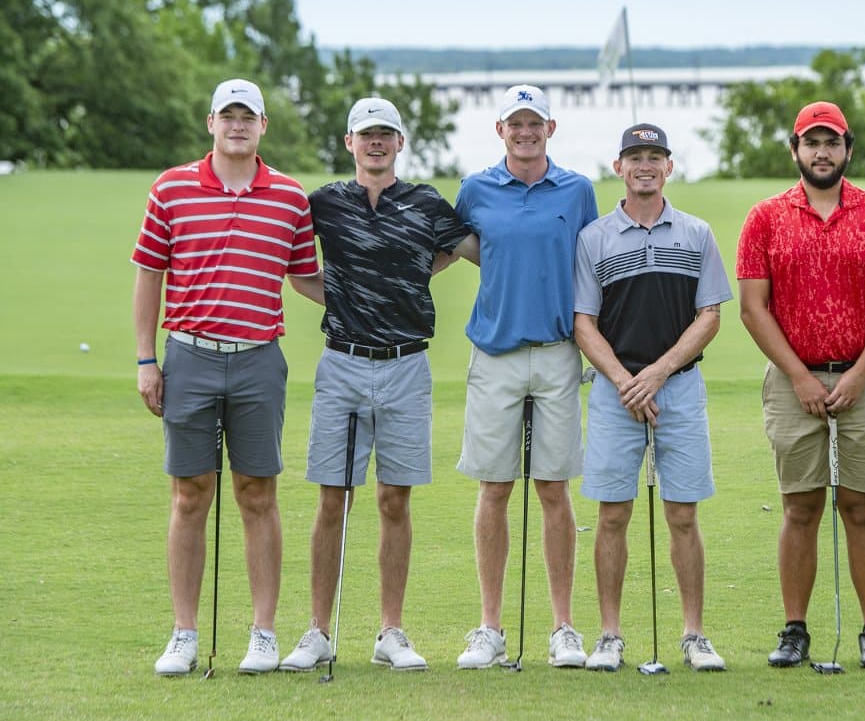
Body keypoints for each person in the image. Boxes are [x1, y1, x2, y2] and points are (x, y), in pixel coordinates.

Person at [278, 98, 479, 673]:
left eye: (386, 134)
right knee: (331, 498)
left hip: (406, 366)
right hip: (341, 362)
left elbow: (464, 252)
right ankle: (317, 630)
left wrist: (410, 279)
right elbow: (293, 265)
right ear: (349, 142)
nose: (376, 143)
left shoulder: (425, 203)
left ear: (399, 143)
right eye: (367, 134)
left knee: (395, 498)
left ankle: (391, 630)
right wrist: (340, 297)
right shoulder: (326, 203)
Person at [134, 78, 322, 676]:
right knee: (190, 495)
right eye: (228, 115)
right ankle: (184, 632)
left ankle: (263, 632)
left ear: (263, 125)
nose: (237, 125)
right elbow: (149, 275)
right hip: (188, 355)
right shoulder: (171, 188)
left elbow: (306, 279)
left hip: (258, 359)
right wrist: (146, 360)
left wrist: (377, 295)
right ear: (210, 122)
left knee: (257, 493)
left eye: (248, 116)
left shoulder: (291, 197)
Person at [736, 101, 865, 670]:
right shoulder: (764, 217)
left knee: (861, 506)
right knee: (800, 507)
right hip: (794, 380)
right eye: (811, 143)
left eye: (831, 142)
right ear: (794, 150)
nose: (821, 152)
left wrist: (860, 373)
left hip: (864, 377)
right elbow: (752, 308)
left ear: (847, 149)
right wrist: (798, 376)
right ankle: (794, 629)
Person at [573, 124, 732, 672]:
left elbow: (709, 315)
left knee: (683, 514)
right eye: (635, 156)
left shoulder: (696, 233)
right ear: (619, 167)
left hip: (679, 388)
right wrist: (624, 380)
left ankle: (694, 634)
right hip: (616, 392)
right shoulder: (594, 237)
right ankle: (610, 635)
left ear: (669, 167)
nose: (645, 165)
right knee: (612, 514)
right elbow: (583, 323)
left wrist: (658, 374)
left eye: (655, 157)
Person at [453, 84, 598, 669]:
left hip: (560, 351)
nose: (525, 131)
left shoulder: (578, 190)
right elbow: (459, 245)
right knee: (494, 488)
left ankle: (563, 626)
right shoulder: (476, 189)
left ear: (550, 128)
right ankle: (490, 627)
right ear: (500, 130)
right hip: (496, 352)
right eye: (515, 123)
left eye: (534, 122)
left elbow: (591, 261)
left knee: (554, 489)